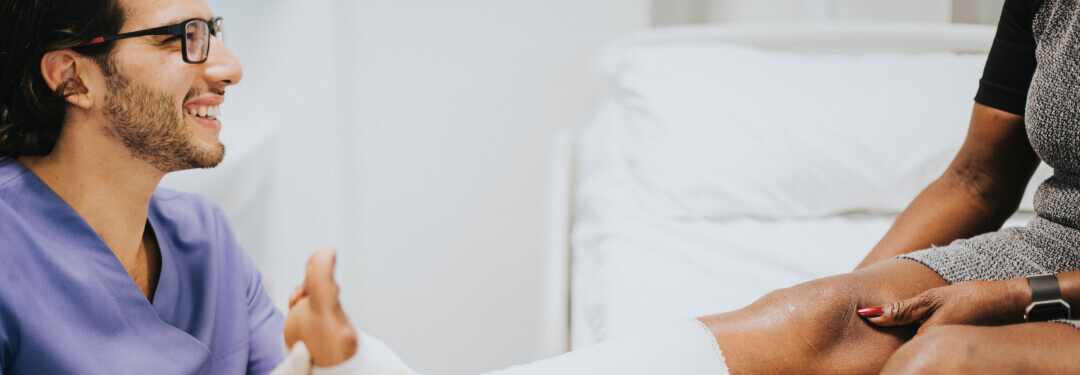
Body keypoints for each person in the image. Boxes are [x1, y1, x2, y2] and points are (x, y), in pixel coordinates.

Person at [283, 0, 1080, 373]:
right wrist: (841, 309)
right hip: (1051, 243)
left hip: (1056, 281)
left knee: (946, 359)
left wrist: (1022, 296)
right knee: (810, 321)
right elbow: (978, 175)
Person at [0, 0, 355, 373]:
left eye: (212, 31)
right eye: (182, 37)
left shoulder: (209, 242)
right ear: (72, 78)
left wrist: (321, 362)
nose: (232, 69)